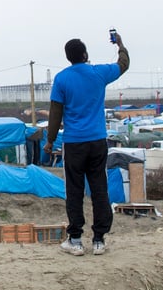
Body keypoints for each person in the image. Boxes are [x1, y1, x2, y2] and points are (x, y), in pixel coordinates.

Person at [44, 32, 130, 256]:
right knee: (100, 188)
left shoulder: (62, 79)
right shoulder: (99, 73)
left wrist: (50, 141)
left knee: (74, 190)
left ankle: (75, 240)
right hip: (97, 141)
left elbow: (55, 113)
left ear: (68, 58)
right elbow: (123, 64)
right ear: (85, 54)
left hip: (74, 143)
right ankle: (99, 239)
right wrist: (119, 44)